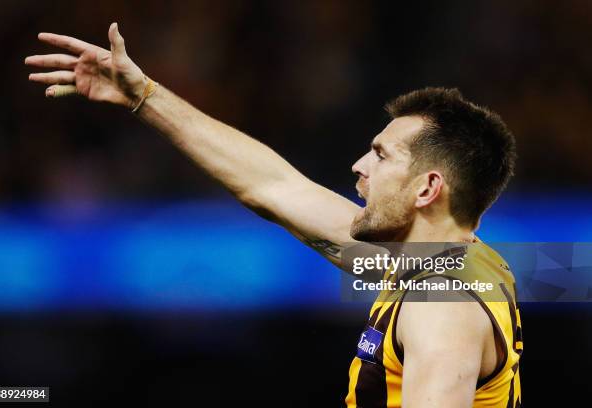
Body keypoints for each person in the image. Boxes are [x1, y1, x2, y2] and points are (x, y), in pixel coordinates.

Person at [26, 23, 522, 407]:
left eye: (382, 155)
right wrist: (144, 97)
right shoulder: (436, 263)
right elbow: (272, 186)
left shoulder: (442, 308)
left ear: (427, 188)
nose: (359, 166)